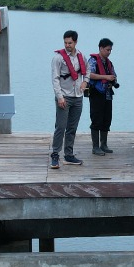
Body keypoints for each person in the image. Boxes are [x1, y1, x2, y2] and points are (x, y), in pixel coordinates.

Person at [50, 29, 88, 168]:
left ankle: (69, 155)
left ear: (75, 42)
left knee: (72, 127)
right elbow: (55, 79)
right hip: (64, 96)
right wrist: (59, 97)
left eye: (70, 43)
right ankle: (55, 154)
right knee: (60, 127)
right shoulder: (58, 58)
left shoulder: (81, 56)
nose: (67, 45)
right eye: (65, 43)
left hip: (78, 96)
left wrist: (85, 81)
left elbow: (88, 70)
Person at [86, 38, 119, 155]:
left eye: (110, 50)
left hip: (108, 95)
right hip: (96, 94)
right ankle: (95, 147)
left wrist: (113, 79)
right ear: (100, 48)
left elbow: (113, 75)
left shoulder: (109, 63)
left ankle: (103, 145)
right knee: (96, 119)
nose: (109, 52)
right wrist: (105, 77)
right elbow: (88, 74)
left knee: (107, 119)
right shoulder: (93, 61)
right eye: (107, 50)